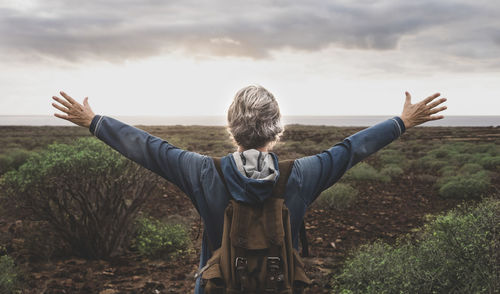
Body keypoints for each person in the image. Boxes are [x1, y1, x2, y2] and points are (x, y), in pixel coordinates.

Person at [51, 85, 447, 293]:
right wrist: (401, 122)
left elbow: (151, 149)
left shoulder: (203, 173)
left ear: (231, 128)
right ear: (277, 130)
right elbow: (349, 151)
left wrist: (94, 121)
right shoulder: (303, 175)